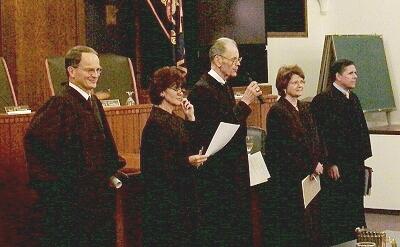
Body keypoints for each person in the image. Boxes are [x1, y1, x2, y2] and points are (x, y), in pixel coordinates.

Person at [24, 45, 126, 247]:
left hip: (96, 202)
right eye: (90, 70)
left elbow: (104, 147)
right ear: (71, 71)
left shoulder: (93, 101)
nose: (95, 75)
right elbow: (37, 147)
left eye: (98, 70)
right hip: (72, 207)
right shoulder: (59, 104)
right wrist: (60, 191)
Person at [188, 37, 262, 246]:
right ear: (218, 60)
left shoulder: (224, 85)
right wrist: (245, 102)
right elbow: (221, 129)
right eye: (234, 59)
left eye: (239, 59)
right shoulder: (203, 89)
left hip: (233, 170)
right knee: (222, 230)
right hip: (218, 175)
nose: (238, 63)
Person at [140, 66, 208, 246]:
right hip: (169, 202)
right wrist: (188, 161)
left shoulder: (175, 119)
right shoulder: (156, 122)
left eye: (181, 88)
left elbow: (192, 147)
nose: (181, 93)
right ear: (161, 91)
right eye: (175, 88)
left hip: (182, 195)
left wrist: (191, 118)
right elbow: (160, 165)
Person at [311, 59, 372, 246]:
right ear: (337, 76)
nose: (355, 76)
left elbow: (361, 129)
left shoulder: (353, 98)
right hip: (337, 166)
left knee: (354, 205)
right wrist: (329, 162)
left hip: (354, 164)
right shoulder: (323, 100)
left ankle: (355, 239)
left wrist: (363, 159)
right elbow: (320, 134)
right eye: (350, 73)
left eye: (355, 72)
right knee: (337, 207)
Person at [263, 65, 324, 246]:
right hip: (289, 178)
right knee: (294, 225)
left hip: (309, 174)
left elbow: (314, 138)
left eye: (302, 81)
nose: (300, 85)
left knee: (311, 224)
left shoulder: (304, 107)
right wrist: (311, 165)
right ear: (284, 85)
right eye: (295, 82)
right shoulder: (278, 111)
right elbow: (286, 147)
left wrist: (318, 161)